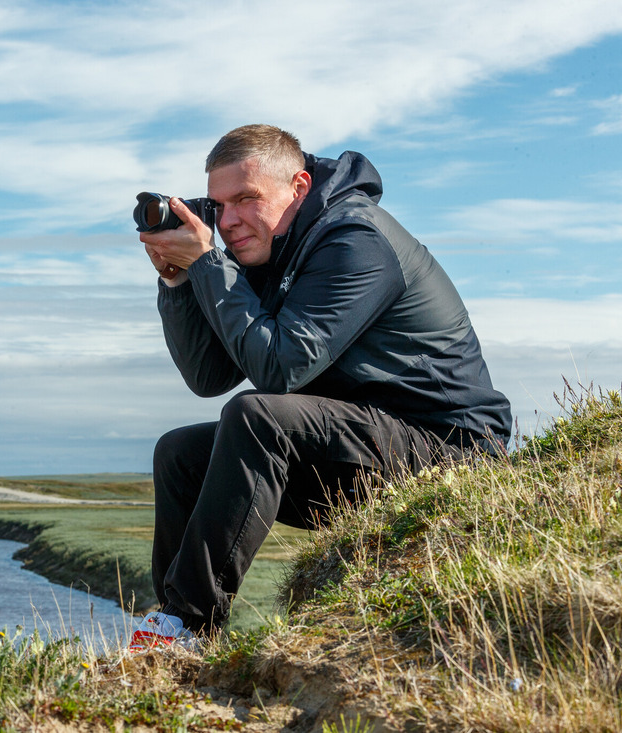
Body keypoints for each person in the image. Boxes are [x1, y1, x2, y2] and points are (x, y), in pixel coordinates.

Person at [127, 124, 512, 651]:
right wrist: (179, 280)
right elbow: (208, 376)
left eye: (246, 199)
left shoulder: (355, 241)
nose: (230, 220)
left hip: (450, 451)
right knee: (180, 452)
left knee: (257, 415)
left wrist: (211, 266)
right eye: (219, 206)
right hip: (358, 451)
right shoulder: (267, 248)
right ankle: (181, 636)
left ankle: (186, 623)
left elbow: (280, 370)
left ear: (299, 187)